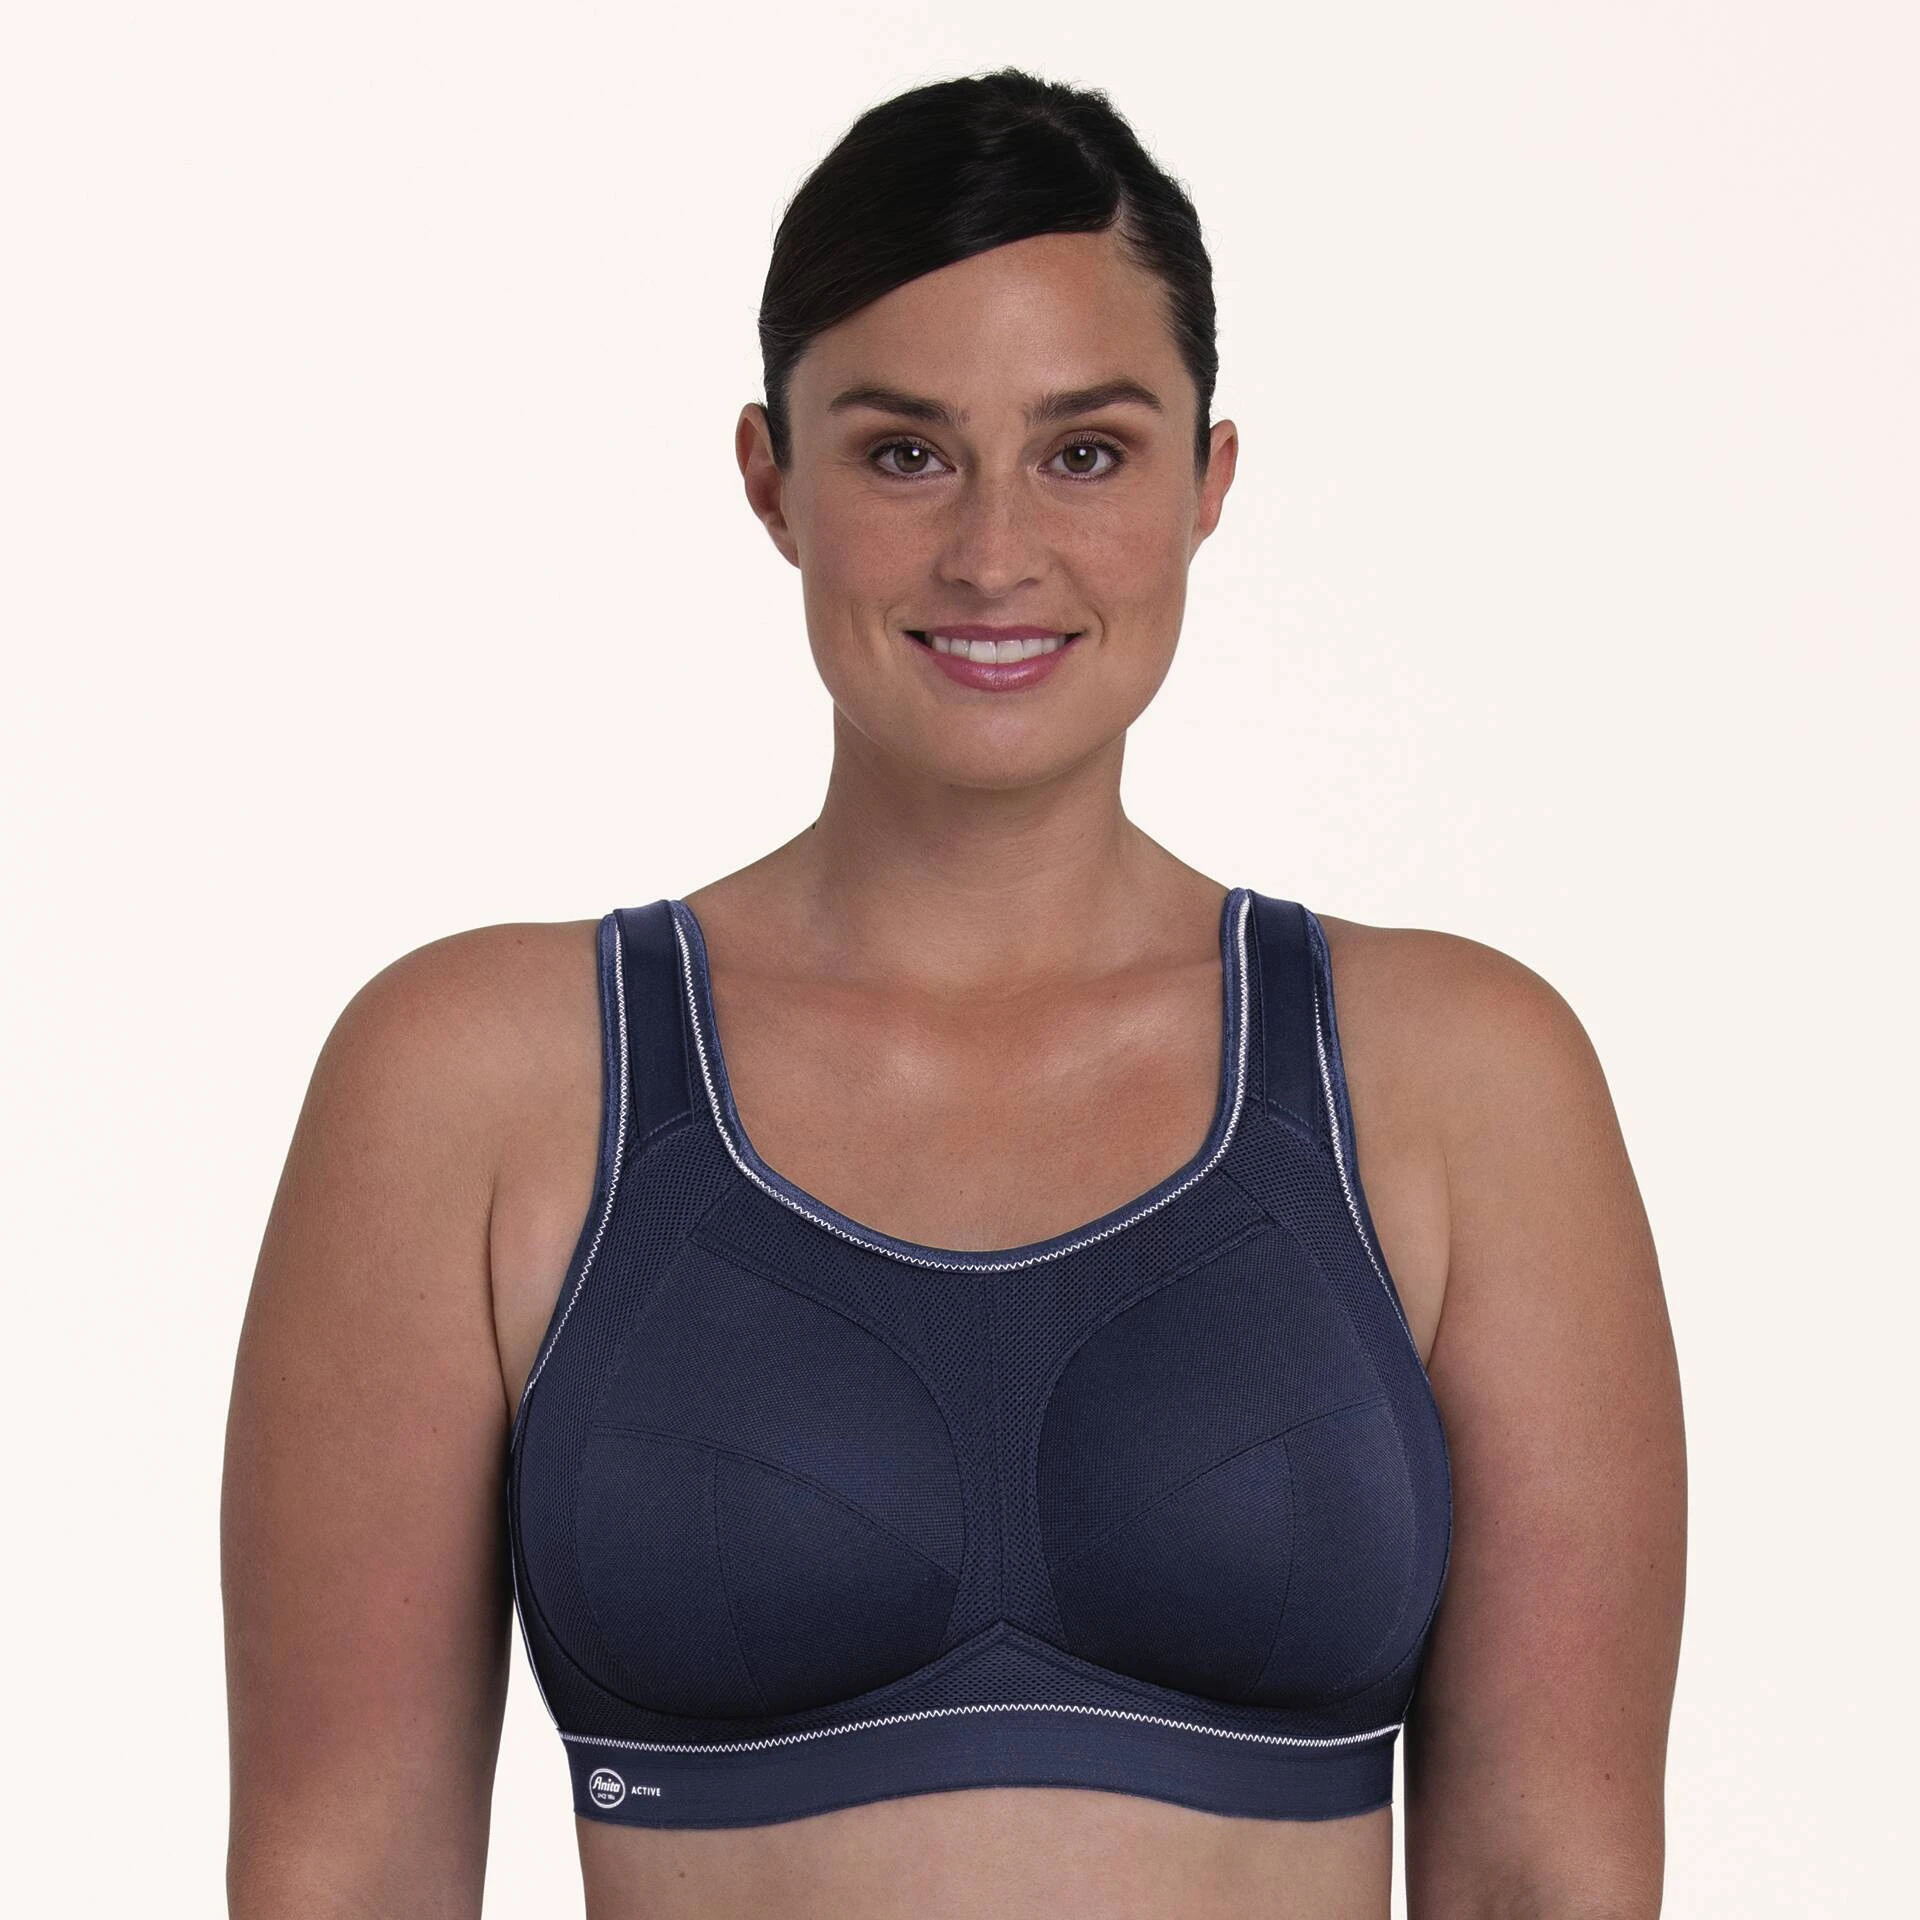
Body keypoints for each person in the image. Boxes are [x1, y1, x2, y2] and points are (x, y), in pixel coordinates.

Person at [221, 66, 1685, 1920]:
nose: (996, 552)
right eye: (905, 453)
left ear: (1210, 482)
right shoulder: (481, 1086)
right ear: (772, 479)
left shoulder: (1457, 1081)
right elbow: (340, 1874)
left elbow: (1550, 1877)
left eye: (1088, 453)